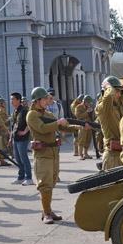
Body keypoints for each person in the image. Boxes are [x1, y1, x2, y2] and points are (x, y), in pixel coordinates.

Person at [26, 87, 83, 224]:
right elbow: (42, 128)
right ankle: (46, 213)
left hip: (53, 153)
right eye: (45, 99)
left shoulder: (48, 114)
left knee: (51, 182)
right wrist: (58, 122)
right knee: (45, 184)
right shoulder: (32, 115)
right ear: (37, 100)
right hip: (42, 153)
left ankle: (48, 210)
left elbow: (62, 127)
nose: (47, 101)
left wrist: (79, 127)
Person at [95, 76, 123, 170]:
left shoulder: (117, 107)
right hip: (113, 157)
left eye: (120, 91)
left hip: (121, 154)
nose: (119, 94)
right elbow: (107, 97)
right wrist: (108, 86)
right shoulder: (103, 108)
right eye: (116, 91)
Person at [10, 92, 32, 185]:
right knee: (18, 158)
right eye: (11, 99)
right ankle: (21, 177)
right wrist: (11, 137)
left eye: (13, 99)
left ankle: (29, 178)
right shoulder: (15, 111)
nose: (11, 101)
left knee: (24, 158)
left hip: (23, 138)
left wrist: (25, 131)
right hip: (16, 137)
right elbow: (14, 125)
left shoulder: (24, 110)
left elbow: (29, 122)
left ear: (18, 100)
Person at [75, 95, 95, 160]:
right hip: (82, 126)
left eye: (90, 103)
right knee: (81, 140)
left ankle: (85, 153)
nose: (89, 104)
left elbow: (94, 117)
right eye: (88, 102)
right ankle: (81, 155)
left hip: (89, 125)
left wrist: (92, 112)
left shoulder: (90, 107)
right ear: (84, 102)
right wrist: (87, 112)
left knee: (88, 140)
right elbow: (78, 116)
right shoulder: (78, 107)